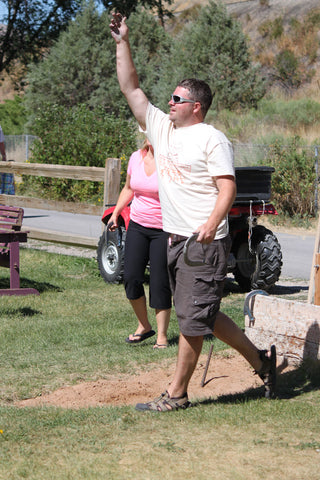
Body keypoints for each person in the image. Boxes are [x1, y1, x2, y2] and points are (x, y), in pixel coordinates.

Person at [109, 13, 277, 411]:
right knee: (204, 314)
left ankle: (177, 394)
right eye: (170, 97)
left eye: (177, 99)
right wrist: (121, 42)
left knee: (191, 320)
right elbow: (131, 88)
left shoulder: (211, 138)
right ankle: (262, 363)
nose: (169, 102)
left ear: (196, 107)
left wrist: (212, 222)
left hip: (203, 243)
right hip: (174, 240)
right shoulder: (162, 130)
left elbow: (228, 187)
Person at [108, 137, 172, 349]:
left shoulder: (170, 160)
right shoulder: (135, 158)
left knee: (159, 281)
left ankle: (162, 335)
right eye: (147, 130)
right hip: (137, 225)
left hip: (163, 229)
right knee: (131, 277)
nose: (150, 134)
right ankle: (144, 325)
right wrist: (116, 213)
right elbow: (128, 188)